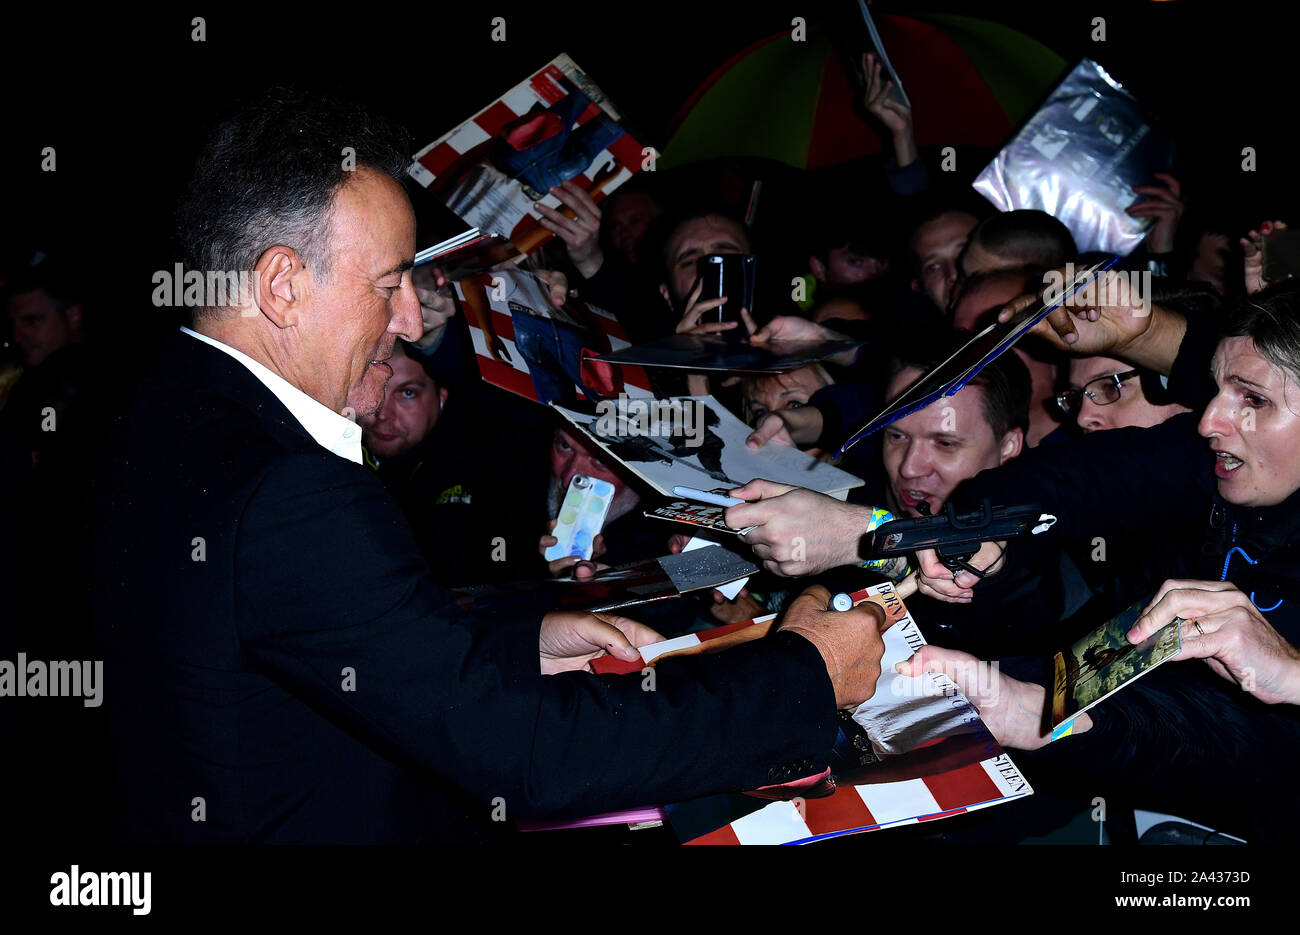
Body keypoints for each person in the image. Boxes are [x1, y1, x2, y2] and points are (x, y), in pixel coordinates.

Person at [92, 88, 886, 844]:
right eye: (389, 283)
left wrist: (513, 645)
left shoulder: (163, 411)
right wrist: (802, 676)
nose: (409, 318)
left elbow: (325, 646)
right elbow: (529, 754)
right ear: (282, 286)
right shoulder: (287, 488)